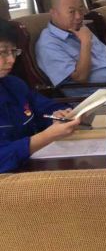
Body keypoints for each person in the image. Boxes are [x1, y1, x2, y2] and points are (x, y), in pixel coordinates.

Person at [0, 19, 81, 172]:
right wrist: (46, 137)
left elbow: (46, 108)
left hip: (33, 167)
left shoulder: (14, 85)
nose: (11, 60)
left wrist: (58, 115)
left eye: (13, 51)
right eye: (3, 52)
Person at [36, 0, 106, 89]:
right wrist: (85, 42)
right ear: (53, 13)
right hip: (98, 94)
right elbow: (80, 77)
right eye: (71, 12)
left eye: (80, 10)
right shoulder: (48, 44)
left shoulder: (80, 29)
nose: (78, 16)